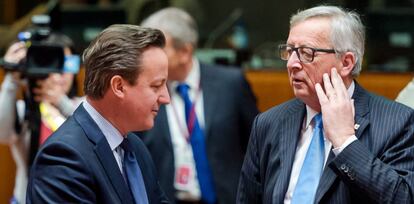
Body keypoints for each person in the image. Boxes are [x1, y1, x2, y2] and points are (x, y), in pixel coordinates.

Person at [237, 5, 414, 204]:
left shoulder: (398, 122)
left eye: (306, 53)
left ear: (346, 63)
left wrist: (345, 142)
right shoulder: (268, 123)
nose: (291, 64)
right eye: (290, 51)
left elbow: (403, 198)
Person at [26, 24, 170, 203]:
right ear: (118, 86)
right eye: (156, 86)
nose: (166, 98)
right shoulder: (63, 156)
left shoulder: (135, 147)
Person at [139, 7, 259, 204]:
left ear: (185, 51)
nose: (147, 58)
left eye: (158, 50)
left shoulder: (230, 84)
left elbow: (257, 146)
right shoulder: (145, 91)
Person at [0, 33, 82, 204]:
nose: (60, 74)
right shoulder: (25, 110)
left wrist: (61, 102)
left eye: (66, 63)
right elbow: (3, 134)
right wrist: (11, 78)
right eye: (52, 62)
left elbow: (92, 134)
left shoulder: (84, 107)